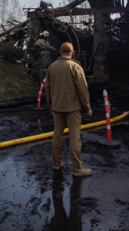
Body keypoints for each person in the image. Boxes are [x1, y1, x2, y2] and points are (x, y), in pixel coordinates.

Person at [45, 42, 93, 177]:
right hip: (73, 108)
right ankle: (77, 168)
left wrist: (51, 105)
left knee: (57, 134)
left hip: (57, 107)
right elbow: (82, 89)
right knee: (74, 137)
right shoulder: (75, 66)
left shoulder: (52, 67)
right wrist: (87, 107)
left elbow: (47, 88)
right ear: (72, 53)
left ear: (60, 52)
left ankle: (57, 162)